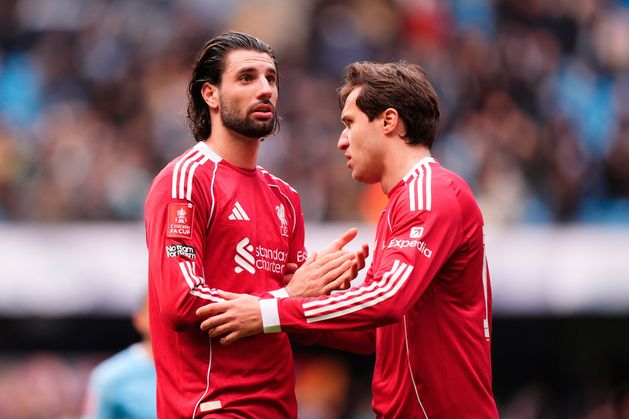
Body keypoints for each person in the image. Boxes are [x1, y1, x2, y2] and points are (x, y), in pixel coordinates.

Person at [197, 61, 500, 418]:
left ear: (388, 121)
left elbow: (386, 300)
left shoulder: (430, 194)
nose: (341, 141)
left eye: (350, 123)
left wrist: (269, 311)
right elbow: (373, 333)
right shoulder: (400, 205)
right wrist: (308, 298)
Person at [144, 32, 362, 418]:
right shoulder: (186, 180)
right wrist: (285, 297)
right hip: (213, 408)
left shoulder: (285, 198)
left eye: (271, 78)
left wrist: (336, 292)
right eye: (247, 78)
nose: (265, 89)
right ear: (210, 94)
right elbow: (181, 302)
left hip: (279, 408)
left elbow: (297, 314)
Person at [82, 296, 156, 419]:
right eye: (155, 311)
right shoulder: (110, 376)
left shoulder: (190, 368)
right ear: (138, 319)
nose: (163, 319)